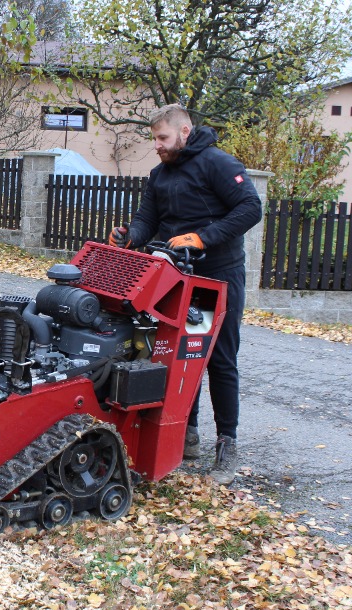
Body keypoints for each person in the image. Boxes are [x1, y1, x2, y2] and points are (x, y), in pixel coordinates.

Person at [108, 104, 262, 485]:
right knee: (178, 353)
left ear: (185, 131)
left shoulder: (218, 164)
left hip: (217, 276)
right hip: (175, 276)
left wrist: (203, 238)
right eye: (154, 139)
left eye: (162, 138)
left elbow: (250, 208)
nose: (157, 146)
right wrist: (131, 236)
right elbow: (149, 219)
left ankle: (227, 443)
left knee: (218, 357)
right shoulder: (160, 174)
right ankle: (185, 433)